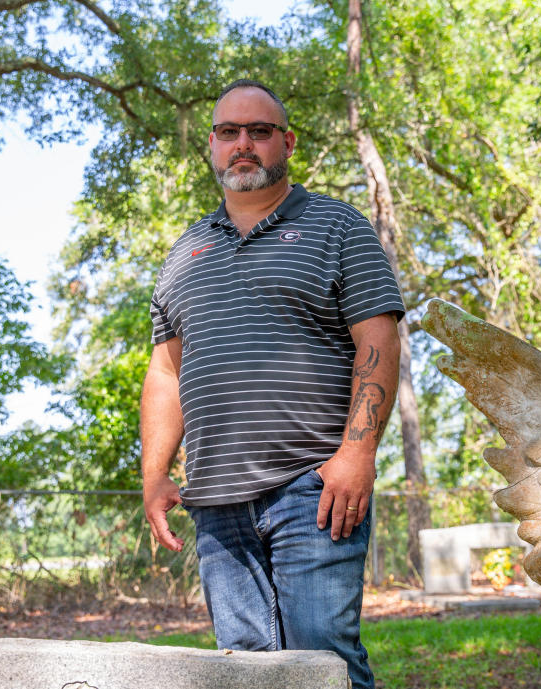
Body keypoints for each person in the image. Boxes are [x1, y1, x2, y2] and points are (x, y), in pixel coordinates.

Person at [140, 78, 404, 689]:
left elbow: (379, 340)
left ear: (286, 142)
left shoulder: (337, 227)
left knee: (323, 664)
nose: (244, 144)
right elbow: (165, 371)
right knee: (245, 671)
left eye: (259, 131)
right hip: (215, 504)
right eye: (229, 132)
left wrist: (357, 452)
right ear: (211, 145)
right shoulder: (185, 250)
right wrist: (155, 474)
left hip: (313, 489)